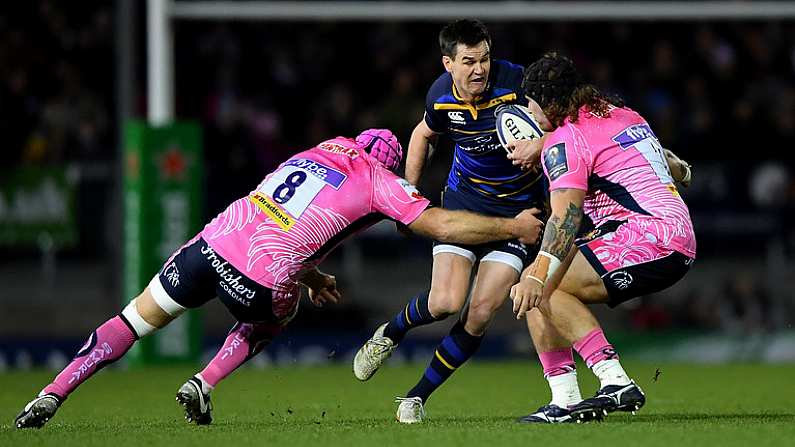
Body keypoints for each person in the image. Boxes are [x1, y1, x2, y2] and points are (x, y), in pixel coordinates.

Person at [14, 129, 543, 429]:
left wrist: (311, 274)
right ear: (389, 165)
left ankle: (53, 393)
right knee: (278, 315)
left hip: (213, 242)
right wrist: (512, 225)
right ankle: (204, 381)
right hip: (261, 277)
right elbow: (439, 223)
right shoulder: (379, 181)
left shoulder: (321, 151)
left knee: (134, 318)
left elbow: (285, 219)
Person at [352, 19, 548, 424]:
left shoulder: (516, 84)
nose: (481, 70)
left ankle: (416, 397)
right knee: (444, 302)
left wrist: (541, 143)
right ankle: (390, 333)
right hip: (463, 207)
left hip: (518, 214)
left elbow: (560, 129)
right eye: (470, 61)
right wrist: (408, 193)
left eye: (486, 59)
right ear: (448, 63)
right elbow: (423, 134)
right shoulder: (440, 98)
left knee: (480, 313)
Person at [508, 52, 696, 423]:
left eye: (531, 104)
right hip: (673, 234)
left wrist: (538, 273)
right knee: (539, 281)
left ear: (547, 102)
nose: (528, 113)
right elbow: (673, 166)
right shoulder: (622, 114)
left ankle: (615, 381)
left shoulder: (566, 140)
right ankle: (564, 401)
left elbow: (566, 217)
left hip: (646, 235)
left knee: (543, 282)